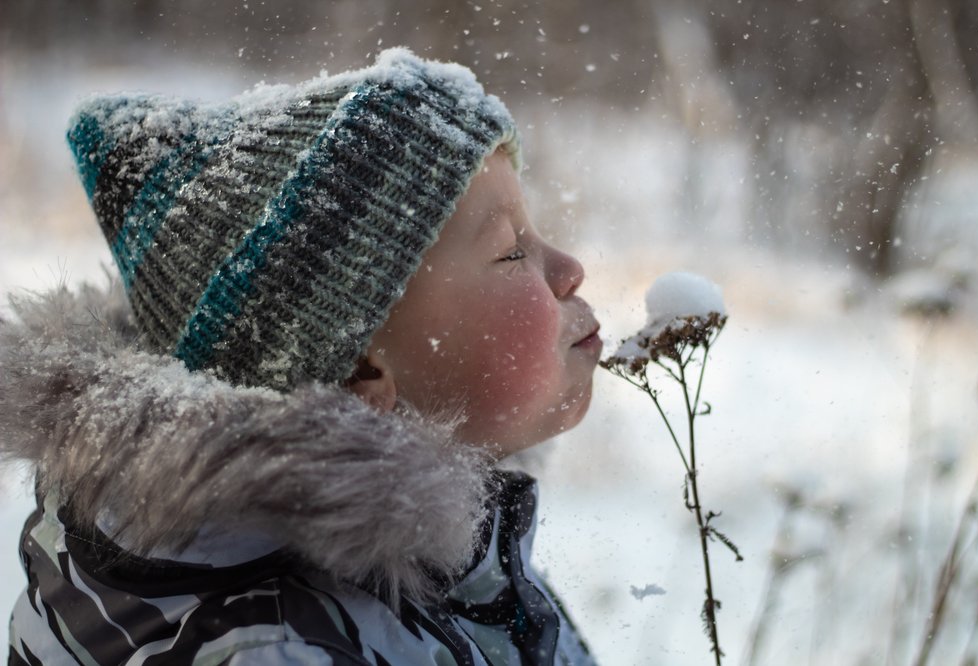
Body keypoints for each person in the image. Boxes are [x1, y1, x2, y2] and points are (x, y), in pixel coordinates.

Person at [0, 47, 602, 665]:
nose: (569, 269)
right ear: (363, 369)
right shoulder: (280, 649)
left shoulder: (456, 562)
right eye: (509, 251)